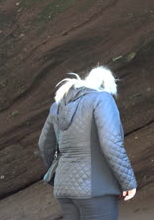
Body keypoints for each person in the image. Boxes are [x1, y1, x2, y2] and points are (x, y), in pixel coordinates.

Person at [38, 66, 137, 220]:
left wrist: (58, 173)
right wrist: (128, 183)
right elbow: (111, 144)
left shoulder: (57, 106)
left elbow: (44, 145)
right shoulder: (102, 98)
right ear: (108, 86)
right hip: (95, 188)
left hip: (64, 187)